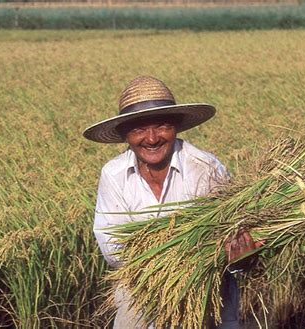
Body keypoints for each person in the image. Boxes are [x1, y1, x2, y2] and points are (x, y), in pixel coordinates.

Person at [83, 76, 259, 329]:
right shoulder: (114, 174)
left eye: (162, 126)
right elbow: (113, 247)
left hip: (206, 294)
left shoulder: (205, 169)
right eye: (138, 129)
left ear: (176, 127)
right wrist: (181, 251)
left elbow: (230, 236)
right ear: (125, 135)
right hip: (139, 295)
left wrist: (240, 255)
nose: (152, 138)